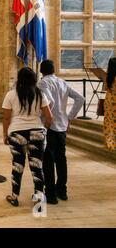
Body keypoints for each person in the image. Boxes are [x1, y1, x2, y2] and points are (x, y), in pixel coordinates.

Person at [2, 67, 52, 207]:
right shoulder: (40, 94)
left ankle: (14, 196)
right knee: (37, 167)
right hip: (37, 132)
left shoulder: (11, 95)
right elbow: (49, 117)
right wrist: (44, 129)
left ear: (19, 78)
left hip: (17, 132)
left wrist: (5, 135)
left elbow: (6, 118)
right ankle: (38, 199)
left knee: (17, 165)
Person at [38, 60, 85, 205]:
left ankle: (51, 195)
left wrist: (46, 118)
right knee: (61, 160)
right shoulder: (62, 82)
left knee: (48, 162)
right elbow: (80, 98)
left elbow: (49, 101)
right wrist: (69, 117)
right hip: (62, 126)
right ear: (53, 70)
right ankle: (62, 191)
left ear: (41, 71)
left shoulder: (42, 83)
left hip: (49, 127)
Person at [104, 58, 116, 151]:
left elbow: (106, 88)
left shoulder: (108, 77)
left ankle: (109, 141)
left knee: (109, 122)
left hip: (109, 102)